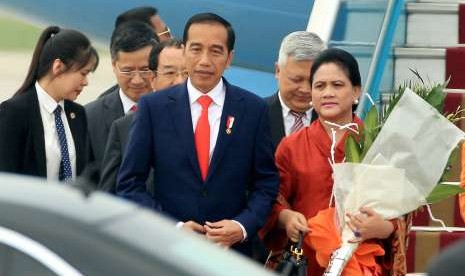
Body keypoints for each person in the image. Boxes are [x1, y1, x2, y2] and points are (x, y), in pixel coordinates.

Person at [117, 12, 279, 257]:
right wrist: (173, 227)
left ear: (229, 58)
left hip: (230, 254)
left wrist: (241, 226)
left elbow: (265, 183)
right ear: (184, 52)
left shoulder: (253, 109)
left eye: (215, 51)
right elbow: (129, 184)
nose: (204, 60)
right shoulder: (154, 107)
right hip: (167, 252)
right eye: (196, 49)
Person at [260, 48, 408, 275]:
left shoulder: (378, 145)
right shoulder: (291, 146)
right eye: (319, 86)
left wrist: (384, 228)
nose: (327, 92)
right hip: (306, 263)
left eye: (337, 85)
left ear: (356, 91)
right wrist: (285, 217)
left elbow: (401, 211)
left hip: (362, 265)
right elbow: (271, 199)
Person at [0, 26, 98, 181]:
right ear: (58, 67)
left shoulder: (77, 114)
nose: (86, 82)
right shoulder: (14, 112)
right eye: (83, 73)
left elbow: (89, 173)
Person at [99, 39, 187, 193]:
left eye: (187, 73)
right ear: (153, 79)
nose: (179, 81)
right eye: (170, 73)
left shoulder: (218, 121)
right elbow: (110, 195)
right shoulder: (123, 128)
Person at [85, 21, 157, 180]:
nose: (137, 80)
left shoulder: (179, 109)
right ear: (114, 66)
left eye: (145, 70)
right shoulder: (90, 118)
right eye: (128, 71)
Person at [267, 31, 325, 148]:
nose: (305, 89)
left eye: (313, 81)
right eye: (296, 79)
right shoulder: (253, 115)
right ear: (278, 70)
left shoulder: (336, 124)